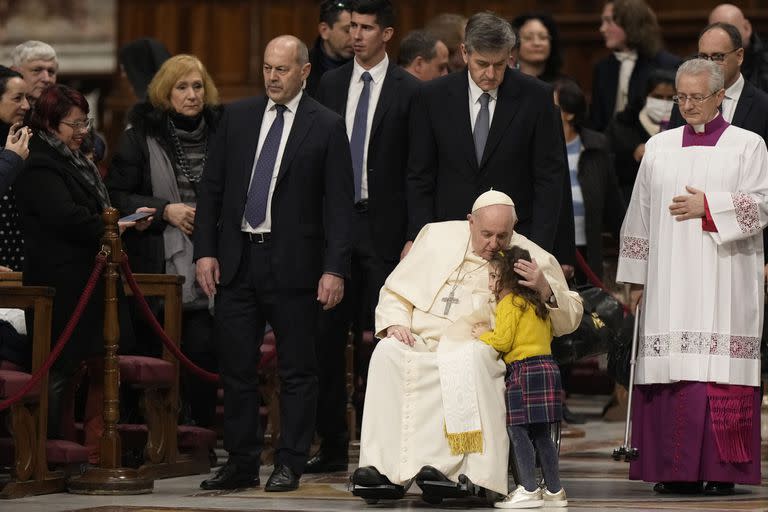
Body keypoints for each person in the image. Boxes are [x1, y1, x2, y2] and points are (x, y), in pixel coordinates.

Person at [194, 35, 353, 492]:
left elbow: (339, 205)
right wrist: (206, 250)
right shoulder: (238, 117)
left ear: (304, 71)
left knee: (298, 370)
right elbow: (212, 189)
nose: (272, 77)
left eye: (282, 69)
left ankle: (290, 461)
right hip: (238, 260)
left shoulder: (325, 124)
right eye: (267, 68)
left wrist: (334, 268)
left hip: (297, 266)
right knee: (237, 369)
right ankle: (242, 463)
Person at [350, 190, 582, 503]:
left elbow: (570, 318)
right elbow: (395, 291)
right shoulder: (435, 236)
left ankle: (464, 474)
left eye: (503, 235)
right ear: (470, 221)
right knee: (388, 352)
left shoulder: (530, 255)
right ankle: (383, 470)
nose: (494, 244)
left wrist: (544, 288)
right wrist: (395, 323)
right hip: (421, 338)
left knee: (472, 358)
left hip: (476, 342)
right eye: (486, 234)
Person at [617, 59, 765, 496]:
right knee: (672, 371)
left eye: (697, 97)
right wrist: (636, 277)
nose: (687, 105)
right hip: (668, 281)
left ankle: (722, 471)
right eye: (680, 97)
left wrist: (711, 208)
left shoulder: (748, 145)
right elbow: (639, 214)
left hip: (726, 275)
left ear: (720, 96)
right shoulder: (659, 148)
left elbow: (762, 204)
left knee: (719, 370)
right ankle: (672, 468)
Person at [14, 84, 153, 460]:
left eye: (84, 122)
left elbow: (91, 211)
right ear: (49, 123)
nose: (81, 131)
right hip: (61, 282)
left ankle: (94, 451)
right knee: (61, 368)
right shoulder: (39, 161)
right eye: (72, 124)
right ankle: (49, 451)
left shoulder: (77, 158)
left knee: (99, 364)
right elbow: (64, 216)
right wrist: (113, 226)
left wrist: (121, 224)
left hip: (92, 278)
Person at [310, 0, 420, 474]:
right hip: (334, 227)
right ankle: (333, 445)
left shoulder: (410, 90)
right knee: (326, 340)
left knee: (386, 343)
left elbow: (418, 171)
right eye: (352, 26)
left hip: (386, 230)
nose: (356, 35)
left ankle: (387, 450)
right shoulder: (329, 84)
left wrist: (415, 235)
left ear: (388, 34)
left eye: (367, 28)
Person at [106, 54, 223, 429]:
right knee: (155, 347)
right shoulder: (139, 137)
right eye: (182, 87)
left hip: (216, 255)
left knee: (204, 349)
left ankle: (201, 434)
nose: (191, 95)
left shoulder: (224, 131)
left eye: (198, 86)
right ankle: (153, 433)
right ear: (164, 92)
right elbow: (115, 199)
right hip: (158, 265)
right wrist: (164, 211)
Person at [407, 12, 568, 259]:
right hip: (447, 240)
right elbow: (420, 177)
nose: (491, 74)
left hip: (516, 240)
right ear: (464, 53)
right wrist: (422, 239)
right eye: (482, 64)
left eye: (499, 64)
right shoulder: (432, 97)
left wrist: (538, 249)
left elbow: (549, 179)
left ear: (510, 56)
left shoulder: (537, 97)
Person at [472, 247, 567, 509]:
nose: (490, 283)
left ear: (508, 279)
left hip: (524, 370)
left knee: (518, 431)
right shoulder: (536, 302)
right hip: (547, 367)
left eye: (493, 277)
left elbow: (502, 341)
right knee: (542, 433)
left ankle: (527, 489)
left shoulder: (509, 303)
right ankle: (555, 490)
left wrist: (483, 333)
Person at [554, 79, 624, 280]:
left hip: (587, 251)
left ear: (569, 113)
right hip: (549, 252)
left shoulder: (596, 147)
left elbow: (613, 205)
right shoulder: (538, 147)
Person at [668, 23, 768, 143]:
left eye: (718, 57)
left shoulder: (763, 106)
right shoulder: (685, 101)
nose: (709, 64)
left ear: (739, 56)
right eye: (703, 57)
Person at [590, 0, 680, 131]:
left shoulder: (667, 65)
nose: (602, 28)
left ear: (631, 23)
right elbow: (597, 122)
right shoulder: (602, 68)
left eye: (609, 21)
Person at [606, 69, 676, 203]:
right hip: (630, 199)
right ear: (646, 96)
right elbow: (609, 171)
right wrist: (633, 156)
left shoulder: (686, 126)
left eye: (670, 98)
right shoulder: (621, 126)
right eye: (658, 97)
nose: (664, 103)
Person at [0, 66, 31, 272]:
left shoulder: (20, 137)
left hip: (20, 257)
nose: (26, 106)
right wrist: (11, 158)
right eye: (17, 98)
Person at [709, 4, 768, 92]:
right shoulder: (701, 61)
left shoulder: (764, 60)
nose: (722, 39)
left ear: (746, 28)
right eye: (715, 33)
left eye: (729, 31)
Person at [306, 0, 354, 97]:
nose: (355, 38)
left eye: (356, 28)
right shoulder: (302, 69)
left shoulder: (365, 67)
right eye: (347, 30)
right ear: (324, 30)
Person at [510, 12, 563, 83]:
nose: (536, 43)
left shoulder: (566, 87)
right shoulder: (501, 83)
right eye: (528, 38)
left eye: (543, 37)